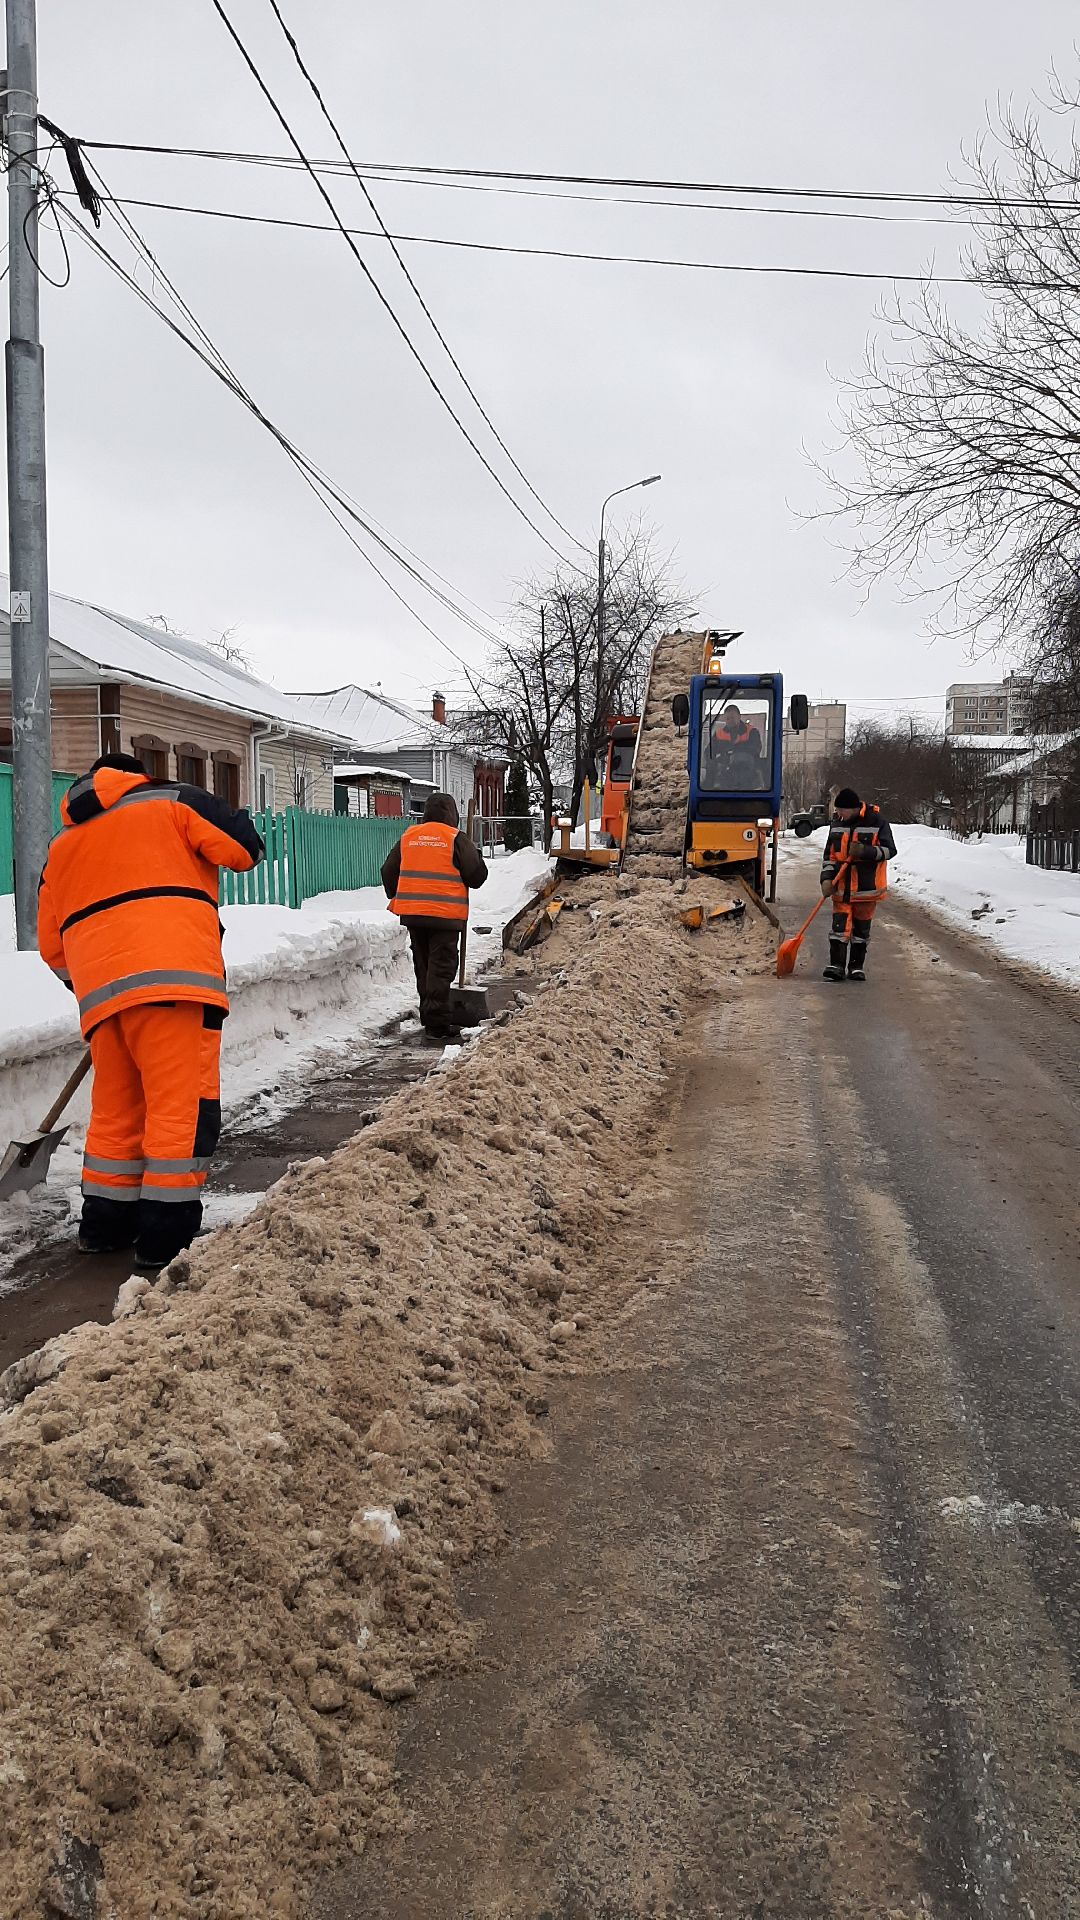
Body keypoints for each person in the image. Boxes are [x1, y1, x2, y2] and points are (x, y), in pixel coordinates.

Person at [37, 752, 264, 1268]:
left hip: (101, 1000)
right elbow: (244, 849)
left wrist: (99, 986)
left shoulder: (61, 848)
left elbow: (52, 946)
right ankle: (165, 1238)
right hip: (176, 982)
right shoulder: (171, 802)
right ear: (136, 776)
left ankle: (105, 1226)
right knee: (179, 1108)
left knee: (117, 1112)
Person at [381, 792, 488, 1041]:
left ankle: (430, 1017)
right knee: (441, 968)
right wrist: (476, 856)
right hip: (444, 914)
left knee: (425, 966)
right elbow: (476, 877)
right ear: (452, 814)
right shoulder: (455, 838)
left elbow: (388, 870)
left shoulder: (409, 836)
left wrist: (397, 892)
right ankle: (437, 1026)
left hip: (414, 914)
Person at [819, 786, 896, 981]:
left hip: (865, 888)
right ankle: (836, 966)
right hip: (841, 887)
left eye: (841, 810)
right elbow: (829, 855)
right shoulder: (837, 824)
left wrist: (864, 851)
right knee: (839, 929)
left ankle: (856, 967)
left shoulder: (876, 822)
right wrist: (826, 879)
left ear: (852, 808)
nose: (838, 813)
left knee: (861, 931)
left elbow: (889, 850)